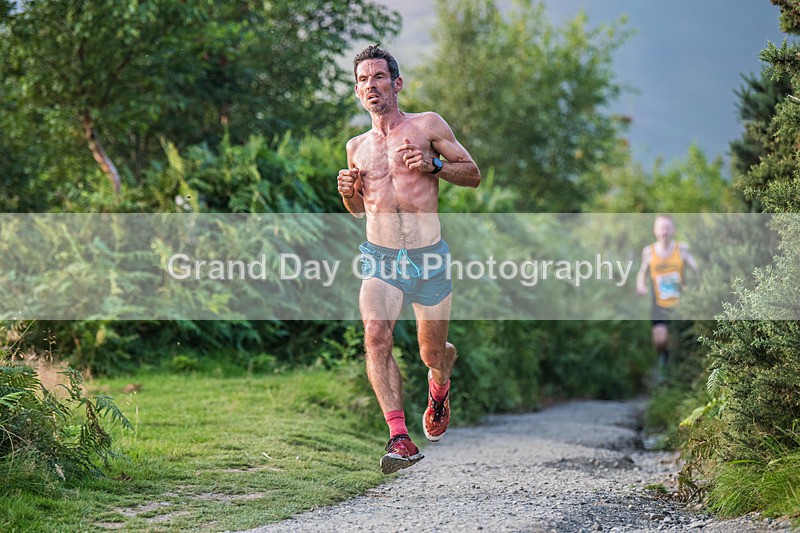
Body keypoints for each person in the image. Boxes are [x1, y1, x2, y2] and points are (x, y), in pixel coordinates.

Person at [337, 45, 481, 474]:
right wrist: (348, 193)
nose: (371, 86)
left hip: (428, 257)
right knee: (376, 336)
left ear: (396, 83)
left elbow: (472, 174)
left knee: (432, 352)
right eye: (363, 80)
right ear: (357, 91)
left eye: (379, 77)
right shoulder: (356, 147)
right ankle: (399, 438)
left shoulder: (427, 125)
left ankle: (440, 384)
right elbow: (359, 211)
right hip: (380, 257)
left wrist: (434, 165)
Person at [635, 214, 699, 376]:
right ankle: (664, 356)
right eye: (661, 228)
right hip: (659, 303)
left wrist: (700, 282)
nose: (664, 231)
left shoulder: (681, 249)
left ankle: (676, 372)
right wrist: (641, 286)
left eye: (667, 228)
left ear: (673, 230)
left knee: (682, 340)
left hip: (681, 303)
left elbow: (696, 268)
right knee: (660, 341)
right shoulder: (649, 252)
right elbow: (642, 272)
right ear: (655, 230)